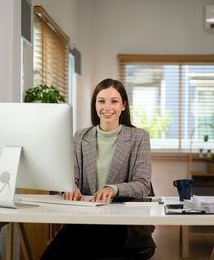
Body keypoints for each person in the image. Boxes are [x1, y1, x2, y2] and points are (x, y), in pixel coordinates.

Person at [40, 78, 156, 260]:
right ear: (95, 105)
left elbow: (142, 185)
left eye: (114, 101)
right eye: (101, 101)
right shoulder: (80, 136)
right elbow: (71, 178)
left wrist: (113, 189)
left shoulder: (138, 137)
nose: (107, 107)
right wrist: (71, 189)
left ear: (123, 106)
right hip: (84, 218)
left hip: (121, 223)